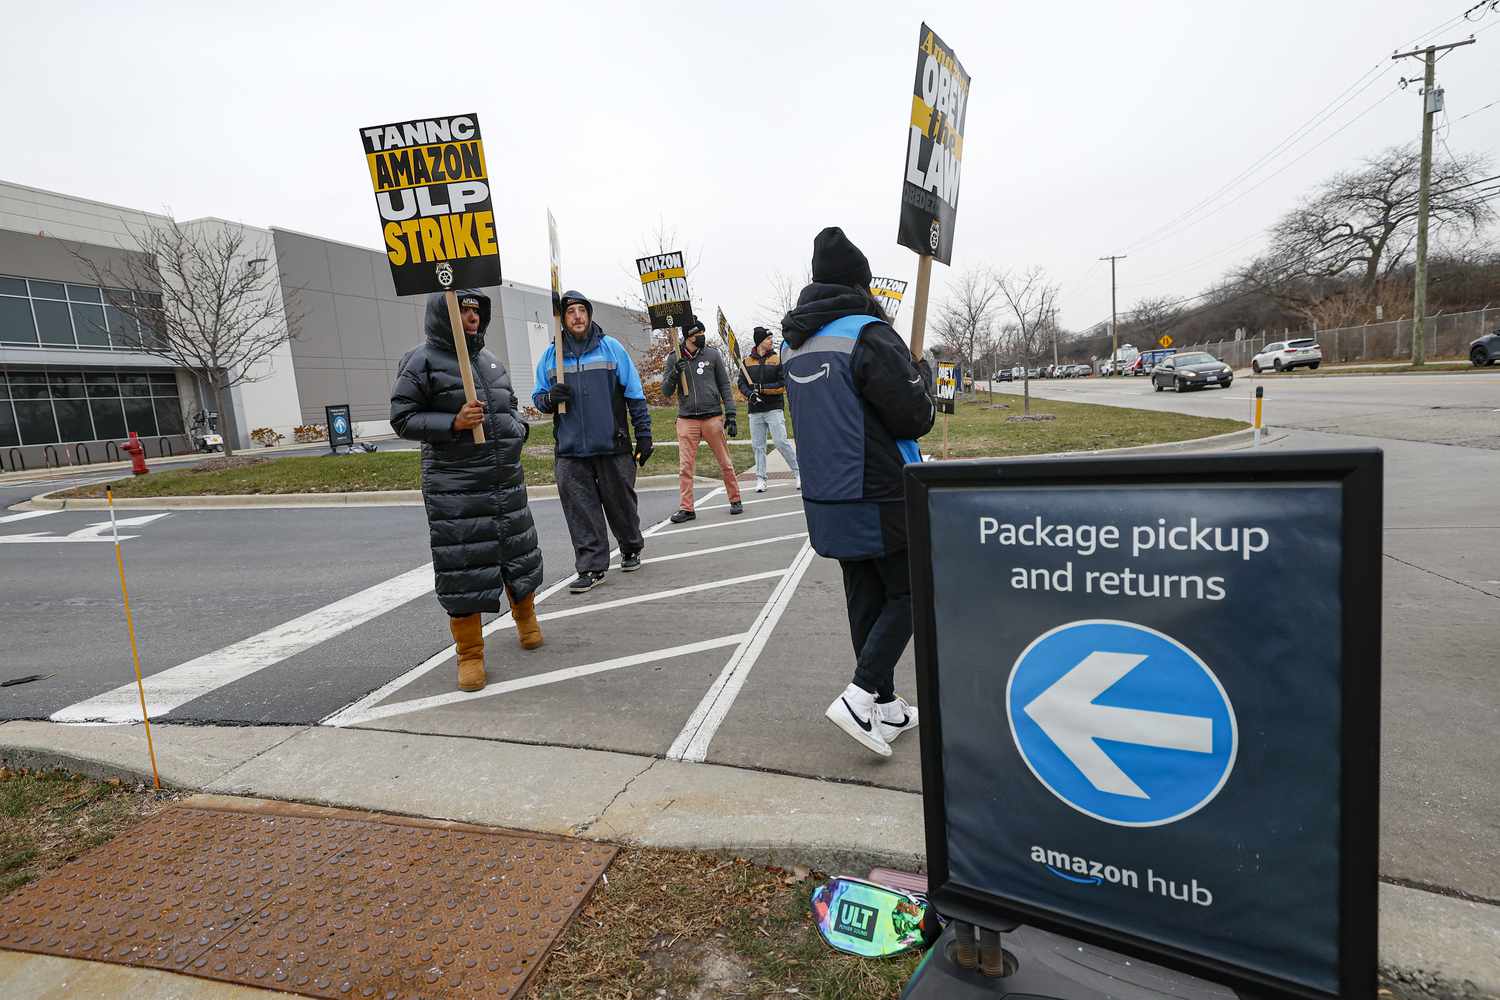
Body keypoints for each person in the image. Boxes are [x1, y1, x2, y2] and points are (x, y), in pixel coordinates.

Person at [780, 228, 935, 757]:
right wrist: (922, 378)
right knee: (913, 589)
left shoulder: (795, 344)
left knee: (866, 596)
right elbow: (914, 416)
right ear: (859, 283)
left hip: (826, 494)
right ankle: (860, 693)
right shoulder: (868, 334)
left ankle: (886, 704)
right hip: (880, 489)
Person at [390, 290, 544, 693]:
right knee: (464, 568)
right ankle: (470, 654)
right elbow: (403, 418)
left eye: (477, 309)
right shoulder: (419, 361)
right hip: (456, 486)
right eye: (463, 308)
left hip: (503, 478)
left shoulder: (489, 361)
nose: (472, 316)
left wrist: (517, 431)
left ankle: (527, 621)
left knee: (518, 555)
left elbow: (509, 405)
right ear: (444, 312)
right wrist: (453, 422)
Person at [533, 290, 653, 594]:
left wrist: (644, 434)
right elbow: (538, 398)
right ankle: (591, 566)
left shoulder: (610, 349)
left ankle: (630, 546)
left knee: (621, 505)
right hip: (571, 450)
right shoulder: (552, 356)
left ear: (589, 314)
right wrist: (550, 398)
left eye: (581, 310)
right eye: (570, 311)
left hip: (612, 444)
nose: (577, 316)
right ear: (562, 318)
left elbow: (635, 394)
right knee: (580, 510)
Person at [660, 318, 743, 522]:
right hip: (687, 419)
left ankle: (735, 499)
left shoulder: (712, 355)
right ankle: (687, 508)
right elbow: (666, 391)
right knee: (685, 467)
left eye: (703, 333)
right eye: (698, 334)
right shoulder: (674, 358)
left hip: (712, 417)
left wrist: (731, 414)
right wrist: (674, 373)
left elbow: (725, 386)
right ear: (688, 337)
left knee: (725, 462)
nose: (702, 337)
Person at [737, 326, 800, 493]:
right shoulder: (746, 362)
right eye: (768, 339)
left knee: (781, 442)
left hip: (774, 408)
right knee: (758, 446)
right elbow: (741, 383)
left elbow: (783, 384)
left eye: (771, 338)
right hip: (755, 410)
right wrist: (750, 395)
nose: (771, 341)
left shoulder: (777, 360)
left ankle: (798, 473)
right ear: (759, 342)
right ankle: (760, 478)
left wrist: (762, 389)